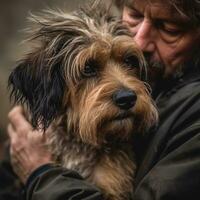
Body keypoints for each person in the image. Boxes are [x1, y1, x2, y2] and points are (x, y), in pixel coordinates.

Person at [7, 0, 200, 199]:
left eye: (170, 28)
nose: (139, 42)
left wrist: (40, 173)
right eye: (134, 15)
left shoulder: (192, 112)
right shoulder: (37, 129)